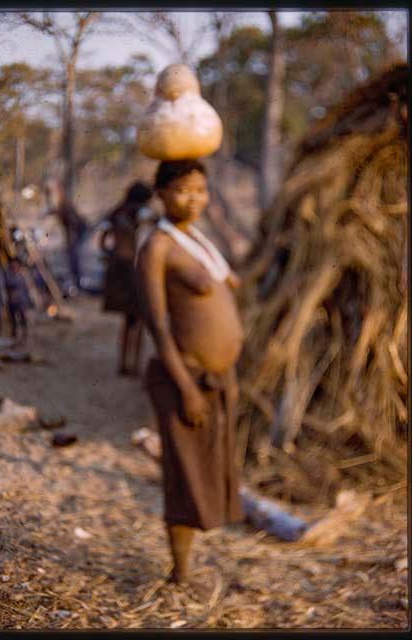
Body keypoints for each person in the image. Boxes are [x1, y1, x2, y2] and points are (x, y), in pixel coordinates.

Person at [136, 160, 244, 587]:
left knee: (206, 470)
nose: (194, 198)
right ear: (160, 192)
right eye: (183, 190)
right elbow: (157, 324)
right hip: (185, 378)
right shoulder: (157, 247)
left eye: (201, 190)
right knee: (184, 475)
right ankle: (180, 573)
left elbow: (232, 285)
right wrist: (186, 389)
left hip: (216, 377)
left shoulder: (198, 240)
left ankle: (186, 568)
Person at [100, 181, 154, 376]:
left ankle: (123, 363)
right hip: (134, 270)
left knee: (128, 319)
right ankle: (135, 366)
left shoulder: (117, 213)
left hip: (119, 268)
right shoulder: (142, 214)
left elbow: (103, 240)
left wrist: (110, 254)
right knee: (138, 320)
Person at [4, 257, 33, 341]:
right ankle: (14, 336)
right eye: (12, 264)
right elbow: (7, 286)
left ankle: (24, 336)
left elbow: (26, 289)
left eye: (16, 264)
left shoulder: (22, 276)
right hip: (12, 301)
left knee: (23, 319)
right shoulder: (8, 275)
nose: (14, 266)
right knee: (13, 320)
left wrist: (28, 302)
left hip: (21, 301)